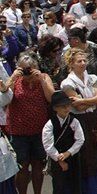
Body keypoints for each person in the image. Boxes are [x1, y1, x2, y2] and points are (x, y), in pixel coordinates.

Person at [0, 53, 54, 194]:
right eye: (24, 69)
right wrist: (12, 77)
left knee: (38, 165)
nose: (27, 73)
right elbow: (5, 97)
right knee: (22, 167)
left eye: (29, 69)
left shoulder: (43, 77)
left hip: (39, 130)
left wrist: (41, 80)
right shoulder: (15, 80)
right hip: (19, 132)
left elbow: (51, 98)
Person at [60, 49, 97, 193]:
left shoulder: (91, 78)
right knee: (83, 157)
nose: (83, 63)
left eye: (84, 60)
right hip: (78, 122)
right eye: (79, 61)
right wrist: (89, 101)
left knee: (95, 154)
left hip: (92, 120)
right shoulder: (68, 83)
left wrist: (84, 100)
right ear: (71, 64)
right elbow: (78, 106)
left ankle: (95, 188)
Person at [41, 90, 84, 194]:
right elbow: (48, 145)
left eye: (67, 105)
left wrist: (68, 153)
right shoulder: (50, 124)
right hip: (57, 159)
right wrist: (59, 159)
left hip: (72, 157)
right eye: (62, 106)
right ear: (55, 108)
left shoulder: (74, 121)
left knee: (75, 185)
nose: (66, 108)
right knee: (59, 186)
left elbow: (80, 139)